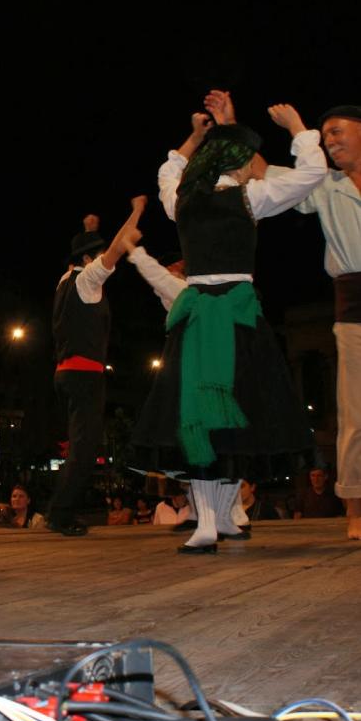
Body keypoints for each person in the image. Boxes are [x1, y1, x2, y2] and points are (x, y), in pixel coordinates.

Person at [133, 95, 326, 554]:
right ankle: (212, 519)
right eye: (248, 159)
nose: (255, 168)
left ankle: (216, 519)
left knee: (203, 416)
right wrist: (298, 126)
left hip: (206, 312)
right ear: (235, 161)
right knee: (226, 415)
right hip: (232, 315)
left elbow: (168, 169)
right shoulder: (250, 196)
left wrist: (195, 136)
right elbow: (312, 173)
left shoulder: (182, 198)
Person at [276, 105, 361, 539]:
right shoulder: (325, 186)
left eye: (336, 132)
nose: (330, 141)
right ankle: (355, 509)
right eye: (324, 136)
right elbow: (268, 175)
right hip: (353, 305)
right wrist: (236, 128)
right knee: (354, 411)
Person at [49, 197, 146, 536]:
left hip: (66, 372)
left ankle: (59, 510)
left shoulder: (65, 280)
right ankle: (60, 514)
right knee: (85, 448)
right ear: (88, 261)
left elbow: (89, 252)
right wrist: (137, 210)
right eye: (96, 257)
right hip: (84, 374)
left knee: (81, 445)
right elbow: (117, 248)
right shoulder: (88, 282)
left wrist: (90, 231)